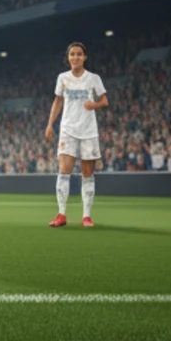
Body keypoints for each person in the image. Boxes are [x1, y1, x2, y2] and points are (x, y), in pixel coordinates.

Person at [46, 41, 109, 228]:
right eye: (72, 54)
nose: (75, 57)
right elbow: (58, 101)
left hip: (88, 131)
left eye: (79, 54)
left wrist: (94, 105)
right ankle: (61, 214)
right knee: (63, 171)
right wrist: (50, 124)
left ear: (85, 57)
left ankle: (86, 216)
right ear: (68, 57)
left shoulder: (93, 78)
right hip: (68, 130)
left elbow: (105, 101)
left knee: (87, 175)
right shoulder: (63, 78)